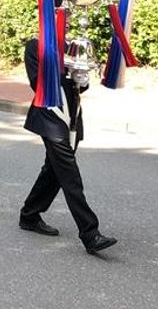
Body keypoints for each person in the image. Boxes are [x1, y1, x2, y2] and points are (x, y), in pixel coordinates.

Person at [19, 35, 117, 255]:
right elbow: (37, 83)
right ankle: (90, 233)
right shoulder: (37, 44)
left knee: (53, 171)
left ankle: (29, 214)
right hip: (51, 117)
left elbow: (78, 89)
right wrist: (64, 72)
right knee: (70, 175)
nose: (67, 17)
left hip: (71, 117)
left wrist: (82, 81)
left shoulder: (72, 45)